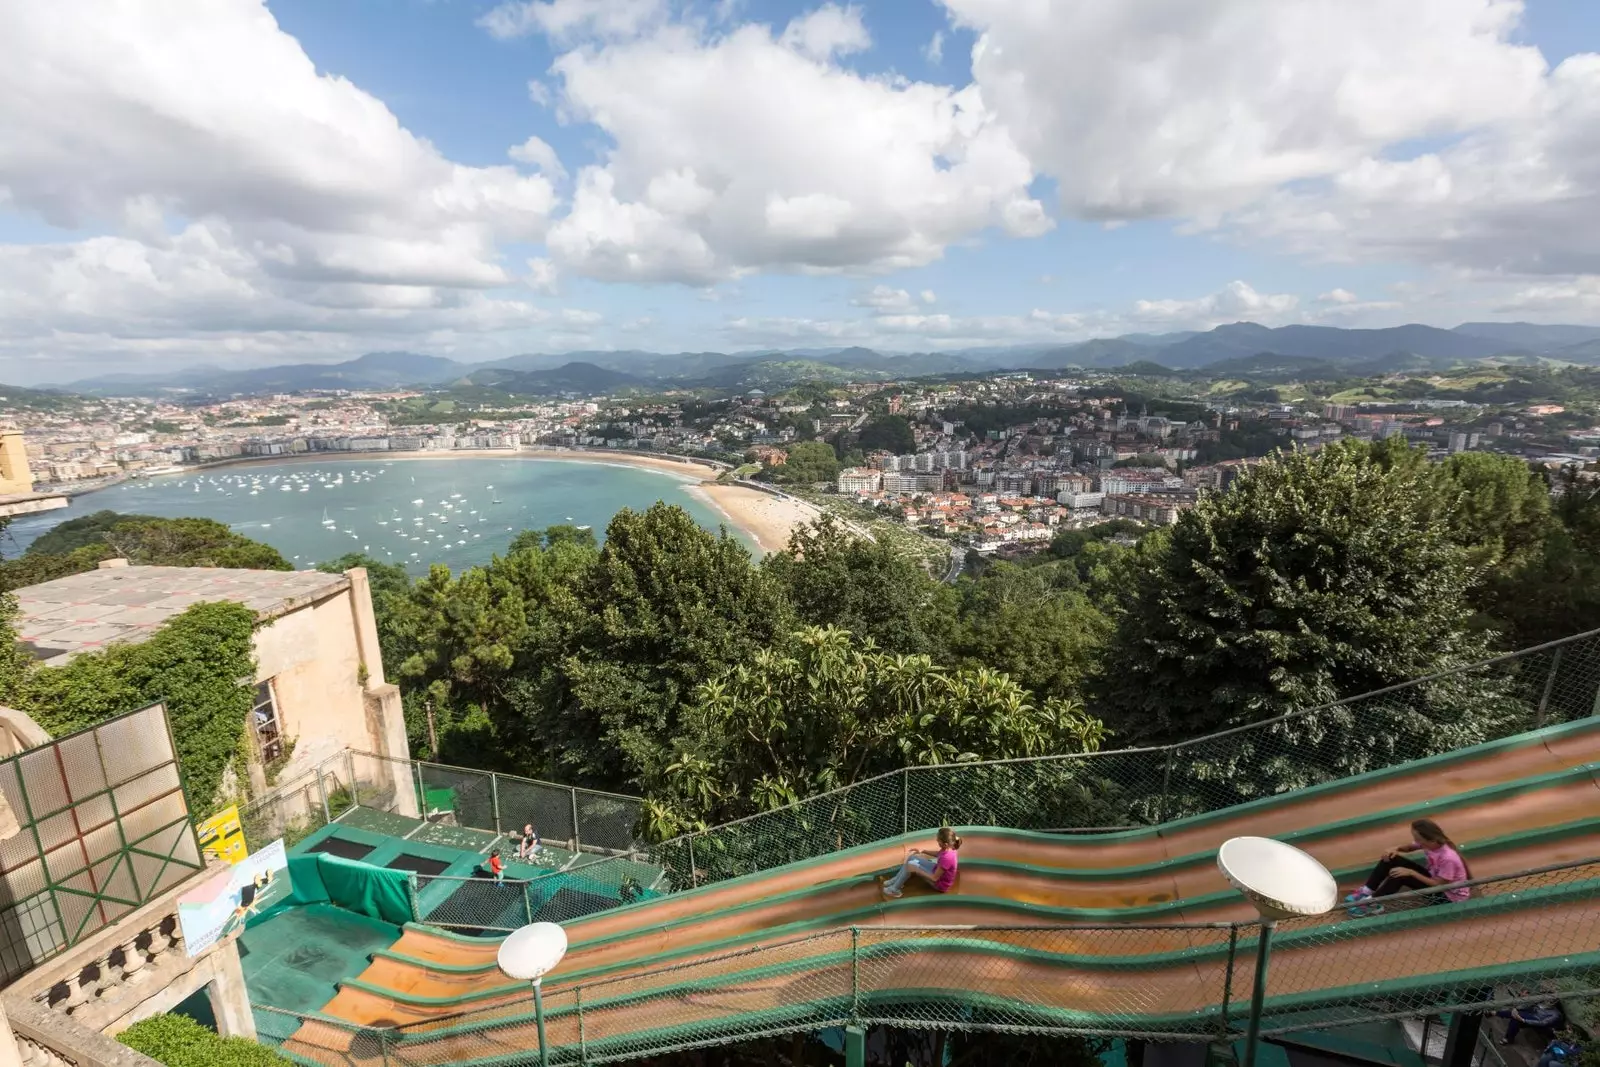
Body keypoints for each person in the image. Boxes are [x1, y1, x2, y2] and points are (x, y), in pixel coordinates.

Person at [1346, 818, 1471, 915]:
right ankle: (1366, 891)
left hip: (1447, 897)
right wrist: (1395, 849)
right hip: (1435, 881)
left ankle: (1371, 903)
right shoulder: (1430, 844)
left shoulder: (1448, 858)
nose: (1417, 841)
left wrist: (1411, 873)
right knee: (1391, 858)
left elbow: (1438, 884)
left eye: (1418, 839)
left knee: (1401, 875)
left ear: (1431, 840)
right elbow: (1410, 847)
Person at [881, 827, 962, 899]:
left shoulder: (947, 858)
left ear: (945, 844)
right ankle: (897, 879)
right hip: (936, 871)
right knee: (912, 858)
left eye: (938, 840)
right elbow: (938, 854)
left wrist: (917, 870)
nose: (937, 841)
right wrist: (923, 850)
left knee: (911, 866)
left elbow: (934, 878)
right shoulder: (950, 848)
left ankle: (894, 890)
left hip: (940, 884)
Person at [1497, 1002, 1564, 1044]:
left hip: (1540, 1024)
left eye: (1552, 1001)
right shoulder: (1541, 1002)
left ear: (1555, 1003)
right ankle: (1509, 1039)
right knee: (1515, 1020)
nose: (1549, 1001)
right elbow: (1528, 1006)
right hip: (1530, 1016)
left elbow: (1543, 1023)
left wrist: (1523, 1020)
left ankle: (1496, 1013)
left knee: (1519, 1016)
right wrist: (1517, 1009)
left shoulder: (1555, 1014)